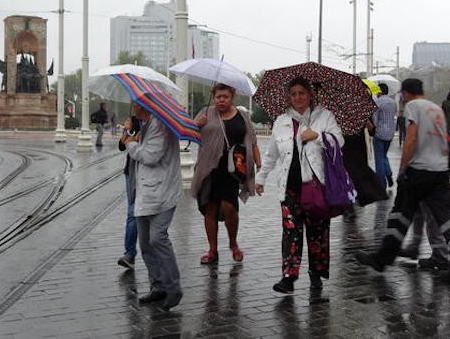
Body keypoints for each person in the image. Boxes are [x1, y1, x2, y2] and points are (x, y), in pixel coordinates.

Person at [355, 78, 450, 286]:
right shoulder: (436, 108)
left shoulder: (413, 107)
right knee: (445, 221)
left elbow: (411, 138)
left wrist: (403, 168)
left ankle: (381, 260)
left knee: (399, 215)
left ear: (405, 94)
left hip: (419, 171)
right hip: (440, 171)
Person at [255, 77, 344, 293]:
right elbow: (271, 154)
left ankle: (316, 273)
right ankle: (289, 277)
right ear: (288, 96)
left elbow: (339, 141)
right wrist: (261, 177)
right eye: (293, 94)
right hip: (289, 186)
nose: (298, 98)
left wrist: (317, 135)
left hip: (315, 185)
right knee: (290, 231)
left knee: (317, 232)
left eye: (302, 93)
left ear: (310, 95)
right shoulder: (281, 121)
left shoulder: (324, 116)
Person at [121, 103, 183, 310]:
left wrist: (131, 144)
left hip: (163, 191)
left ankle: (173, 288)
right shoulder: (146, 123)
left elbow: (150, 156)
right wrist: (129, 135)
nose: (132, 108)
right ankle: (158, 287)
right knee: (146, 243)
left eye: (135, 104)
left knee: (158, 238)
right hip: (146, 192)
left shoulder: (160, 125)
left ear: (145, 105)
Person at [191, 83, 261, 265]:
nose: (221, 100)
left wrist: (259, 164)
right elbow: (188, 134)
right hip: (209, 169)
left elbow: (252, 141)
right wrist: (196, 126)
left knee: (230, 207)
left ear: (232, 97)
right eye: (218, 97)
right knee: (210, 208)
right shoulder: (206, 113)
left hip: (233, 169)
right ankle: (212, 250)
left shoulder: (242, 116)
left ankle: (233, 244)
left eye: (225, 97)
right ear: (213, 97)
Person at [116, 115, 142, 270]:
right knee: (132, 211)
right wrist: (126, 131)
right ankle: (130, 253)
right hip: (130, 173)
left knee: (135, 212)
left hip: (146, 173)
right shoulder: (133, 126)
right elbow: (121, 145)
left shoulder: (149, 125)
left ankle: (132, 253)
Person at [372, 83, 398, 188]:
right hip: (390, 133)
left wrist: (374, 129)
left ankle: (382, 182)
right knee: (383, 156)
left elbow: (375, 119)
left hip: (380, 133)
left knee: (379, 157)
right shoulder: (393, 102)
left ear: (380, 91)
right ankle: (389, 175)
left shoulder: (378, 102)